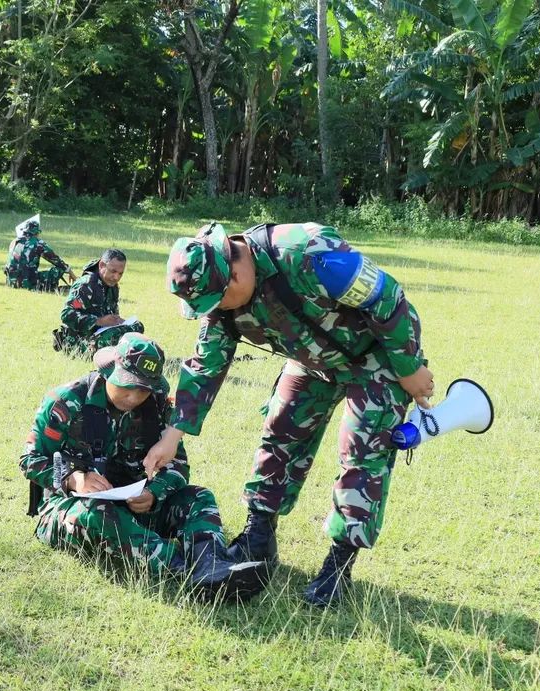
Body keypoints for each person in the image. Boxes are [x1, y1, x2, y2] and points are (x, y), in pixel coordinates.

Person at [144, 222, 433, 607]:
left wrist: (409, 367)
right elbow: (205, 364)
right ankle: (259, 537)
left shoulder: (305, 252)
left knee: (363, 453)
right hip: (312, 360)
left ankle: (338, 566)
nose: (212, 313)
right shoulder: (219, 303)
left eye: (217, 301)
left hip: (375, 356)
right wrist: (173, 433)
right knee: (278, 433)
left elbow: (386, 295)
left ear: (233, 275)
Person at [21, 333, 264, 599]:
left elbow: (178, 466)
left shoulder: (156, 407)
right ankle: (183, 570)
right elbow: (30, 460)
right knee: (99, 513)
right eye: (128, 385)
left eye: (143, 389)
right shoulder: (66, 401)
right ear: (110, 371)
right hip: (69, 508)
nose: (134, 396)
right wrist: (73, 478)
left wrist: (154, 492)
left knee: (198, 497)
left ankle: (213, 563)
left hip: (133, 503)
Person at [54, 248, 144, 357]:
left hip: (101, 333)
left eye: (120, 273)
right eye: (113, 271)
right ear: (101, 265)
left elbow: (111, 312)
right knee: (116, 336)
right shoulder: (86, 285)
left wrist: (117, 321)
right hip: (79, 341)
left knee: (137, 326)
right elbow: (67, 314)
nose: (116, 277)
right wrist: (98, 321)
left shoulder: (112, 285)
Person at [4, 219, 74, 291]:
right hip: (28, 283)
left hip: (11, 282)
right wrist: (71, 274)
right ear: (37, 233)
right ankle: (49, 287)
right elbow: (56, 260)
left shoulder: (14, 241)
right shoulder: (38, 243)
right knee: (59, 269)